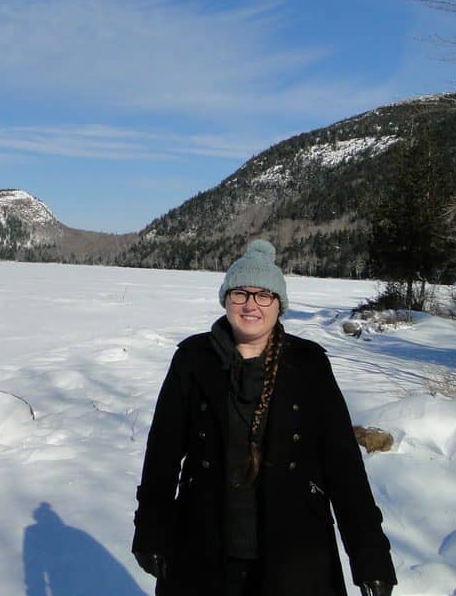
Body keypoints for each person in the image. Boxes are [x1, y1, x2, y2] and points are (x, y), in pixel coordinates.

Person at [132, 239, 396, 596]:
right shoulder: (193, 360)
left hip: (294, 552)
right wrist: (151, 530)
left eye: (263, 295)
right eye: (240, 293)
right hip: (205, 547)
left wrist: (371, 556)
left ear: (279, 305)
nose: (251, 305)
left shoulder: (309, 364)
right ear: (226, 299)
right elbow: (162, 453)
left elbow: (344, 466)